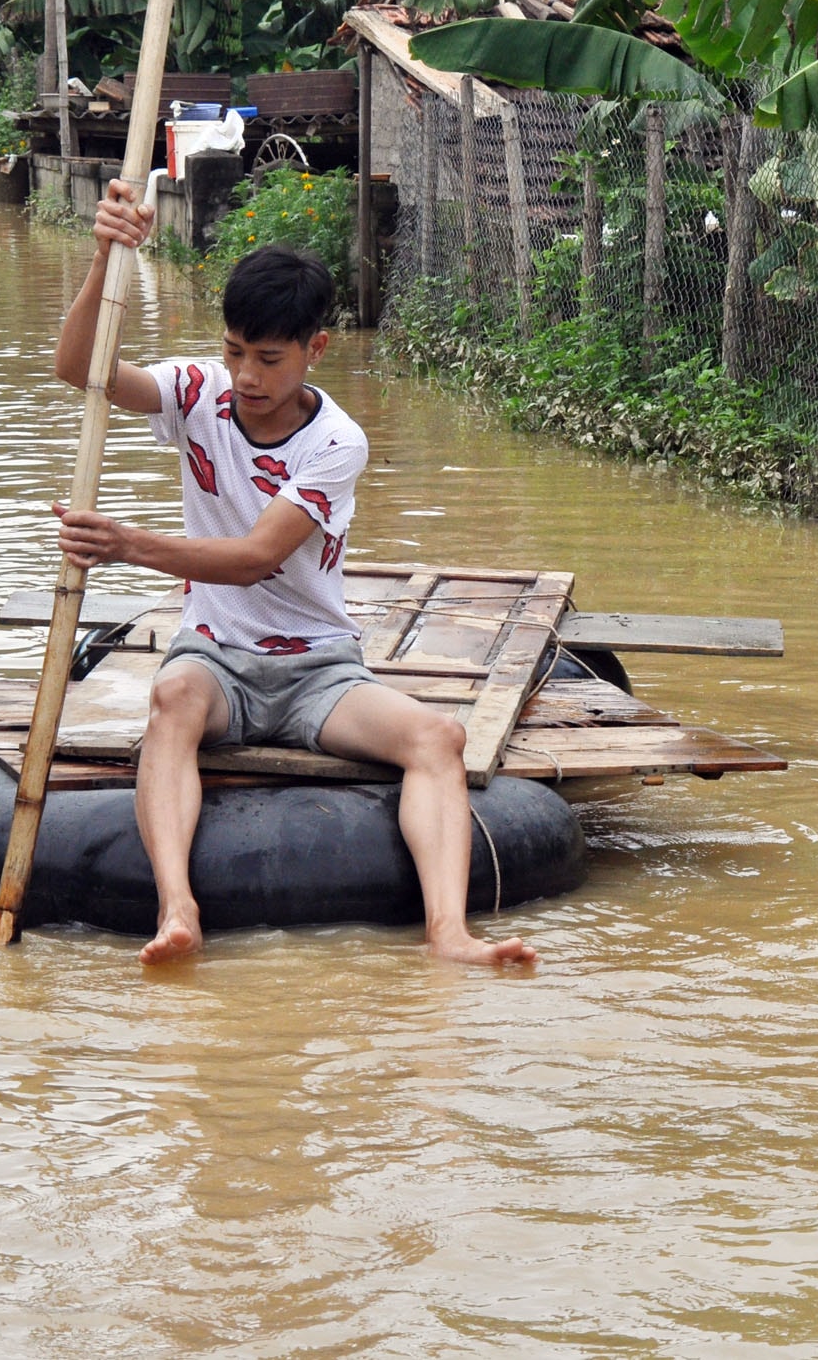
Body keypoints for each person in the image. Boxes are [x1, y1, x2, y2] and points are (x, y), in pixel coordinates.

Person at [50, 179, 537, 970]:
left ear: (315, 350)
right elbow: (80, 367)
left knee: (439, 737)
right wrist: (107, 251)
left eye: (269, 359)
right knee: (171, 697)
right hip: (215, 658)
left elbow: (255, 558)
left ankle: (448, 934)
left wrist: (128, 544)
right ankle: (178, 910)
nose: (245, 375)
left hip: (317, 669)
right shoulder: (196, 392)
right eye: (235, 350)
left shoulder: (335, 443)